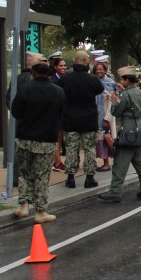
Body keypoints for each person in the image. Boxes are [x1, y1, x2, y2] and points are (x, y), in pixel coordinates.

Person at [10, 59, 65, 223]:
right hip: (46, 139)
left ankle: (23, 205)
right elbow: (62, 113)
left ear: (33, 73)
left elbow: (16, 112)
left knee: (24, 173)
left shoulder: (25, 89)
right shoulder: (58, 92)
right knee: (41, 175)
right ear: (48, 73)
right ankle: (40, 211)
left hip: (25, 136)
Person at [98, 66, 141, 203]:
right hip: (139, 126)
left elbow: (117, 112)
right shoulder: (139, 92)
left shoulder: (126, 95)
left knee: (120, 161)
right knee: (138, 160)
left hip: (128, 128)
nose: (121, 82)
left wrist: (114, 102)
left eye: (122, 79)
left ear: (127, 80)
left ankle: (115, 191)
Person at [58, 50, 104, 189]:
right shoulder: (93, 79)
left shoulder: (66, 78)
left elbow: (60, 91)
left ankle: (70, 177)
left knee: (71, 148)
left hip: (70, 118)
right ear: (86, 61)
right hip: (88, 119)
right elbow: (99, 90)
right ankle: (89, 177)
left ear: (74, 60)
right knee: (89, 148)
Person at [93, 60, 115, 171]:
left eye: (101, 69)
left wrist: (107, 118)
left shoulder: (109, 83)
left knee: (105, 139)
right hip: (96, 114)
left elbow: (112, 102)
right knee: (100, 139)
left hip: (105, 115)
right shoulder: (94, 81)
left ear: (105, 70)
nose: (98, 71)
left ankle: (107, 163)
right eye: (96, 70)